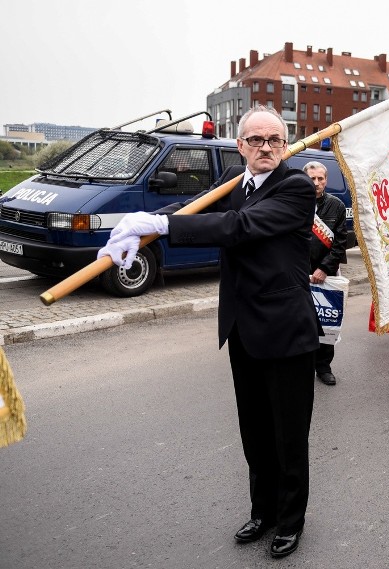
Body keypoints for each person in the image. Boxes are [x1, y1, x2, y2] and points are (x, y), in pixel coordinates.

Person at [97, 105, 317, 559]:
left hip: (285, 332)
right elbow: (194, 207)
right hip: (243, 329)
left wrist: (160, 226)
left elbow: (240, 226)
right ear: (240, 146)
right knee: (254, 430)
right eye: (255, 140)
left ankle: (291, 522)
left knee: (288, 435)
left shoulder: (294, 188)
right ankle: (264, 511)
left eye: (274, 139)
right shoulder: (237, 182)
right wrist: (138, 225)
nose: (265, 147)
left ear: (285, 144)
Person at [304, 160, 348, 386]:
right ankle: (302, 366)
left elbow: (341, 243)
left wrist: (324, 268)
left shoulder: (337, 206)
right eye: (312, 178)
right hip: (300, 272)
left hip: (327, 272)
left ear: (326, 181)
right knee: (300, 322)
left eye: (320, 178)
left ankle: (323, 367)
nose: (316, 183)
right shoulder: (295, 203)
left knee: (327, 322)